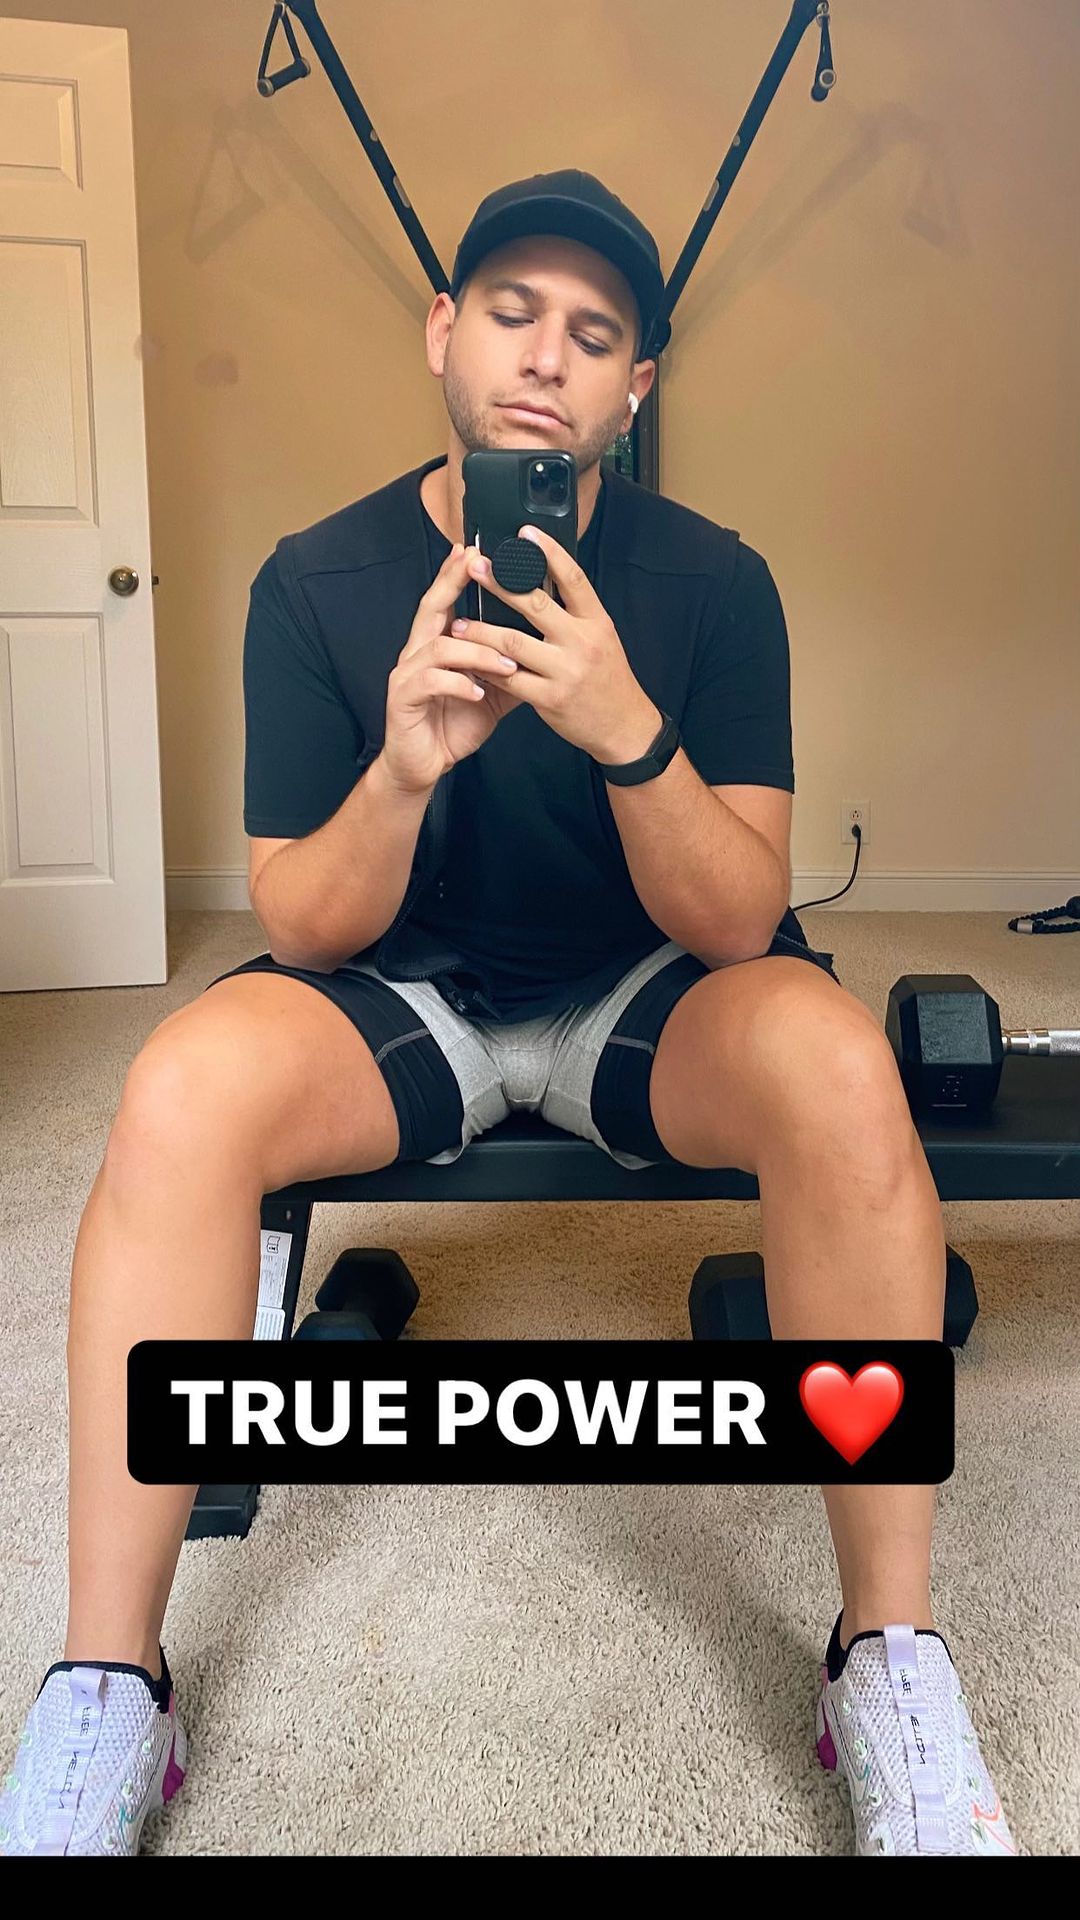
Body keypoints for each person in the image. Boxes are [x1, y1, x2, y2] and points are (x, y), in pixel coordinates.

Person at [1, 171, 1016, 1859]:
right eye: (513, 312)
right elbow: (300, 921)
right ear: (443, 334)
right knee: (178, 1091)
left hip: (648, 992)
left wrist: (627, 733)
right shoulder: (316, 581)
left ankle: (888, 1657)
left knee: (846, 1074)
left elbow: (739, 918)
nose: (547, 356)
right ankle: (109, 1684)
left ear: (635, 389)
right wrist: (404, 767)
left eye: (596, 335)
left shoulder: (716, 583)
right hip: (406, 991)